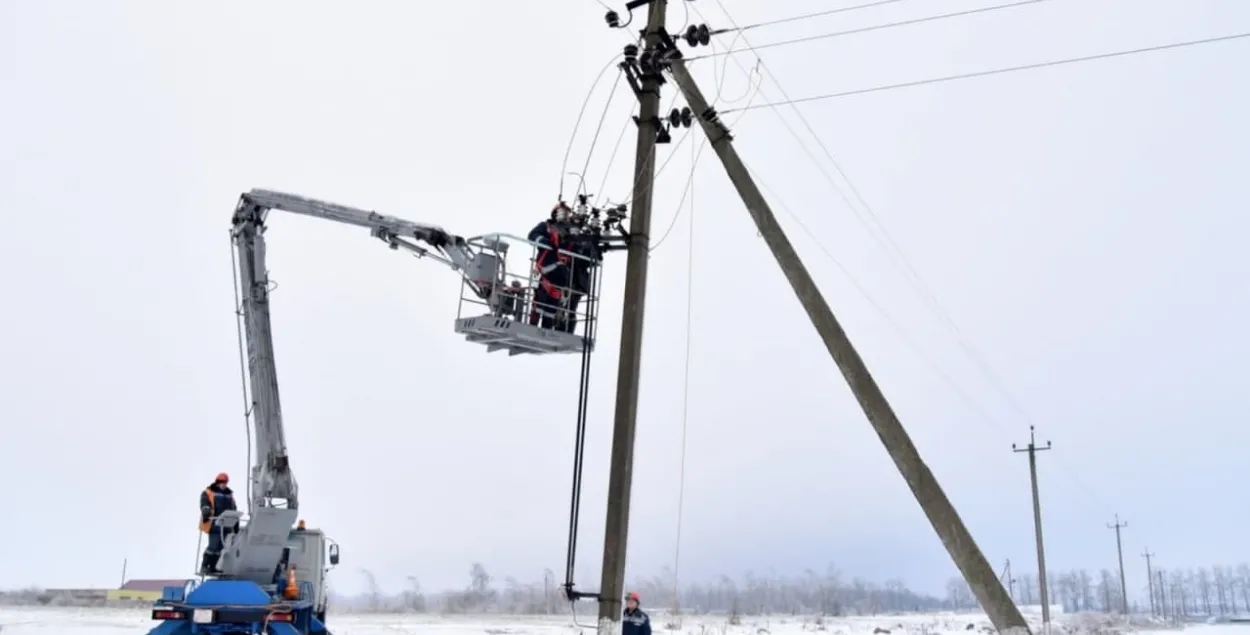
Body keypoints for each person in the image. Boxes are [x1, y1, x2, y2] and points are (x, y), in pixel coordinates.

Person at [527, 203, 573, 329]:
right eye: (563, 213)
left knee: (553, 302)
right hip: (546, 268)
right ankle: (532, 326)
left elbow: (578, 247)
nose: (565, 216)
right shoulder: (545, 226)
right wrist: (543, 241)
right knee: (540, 300)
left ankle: (547, 328)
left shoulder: (571, 232)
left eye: (567, 214)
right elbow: (532, 236)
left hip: (561, 271)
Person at [199, 472, 238, 575]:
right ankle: (204, 566)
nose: (223, 484)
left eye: (225, 482)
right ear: (217, 482)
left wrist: (235, 522)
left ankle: (213, 567)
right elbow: (204, 502)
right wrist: (205, 510)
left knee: (221, 548)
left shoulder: (229, 495)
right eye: (221, 482)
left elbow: (233, 508)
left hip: (226, 525)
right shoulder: (209, 492)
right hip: (214, 523)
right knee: (213, 546)